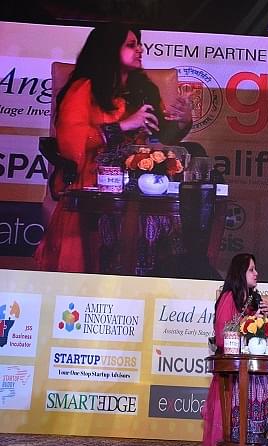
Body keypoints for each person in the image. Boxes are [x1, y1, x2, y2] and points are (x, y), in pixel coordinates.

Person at [35, 25, 192, 274]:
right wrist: (122, 126)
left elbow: (163, 137)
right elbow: (70, 144)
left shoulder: (145, 89)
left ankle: (146, 281)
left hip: (137, 181)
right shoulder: (84, 88)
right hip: (92, 177)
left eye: (139, 43)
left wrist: (184, 121)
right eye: (131, 45)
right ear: (109, 50)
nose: (140, 49)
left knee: (161, 205)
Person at [200, 253, 268, 446]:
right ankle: (236, 444)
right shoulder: (228, 297)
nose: (256, 273)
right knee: (258, 381)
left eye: (255, 269)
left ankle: (261, 438)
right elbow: (222, 337)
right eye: (251, 269)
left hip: (254, 364)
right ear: (241, 273)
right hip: (234, 366)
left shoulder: (254, 299)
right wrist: (249, 322)